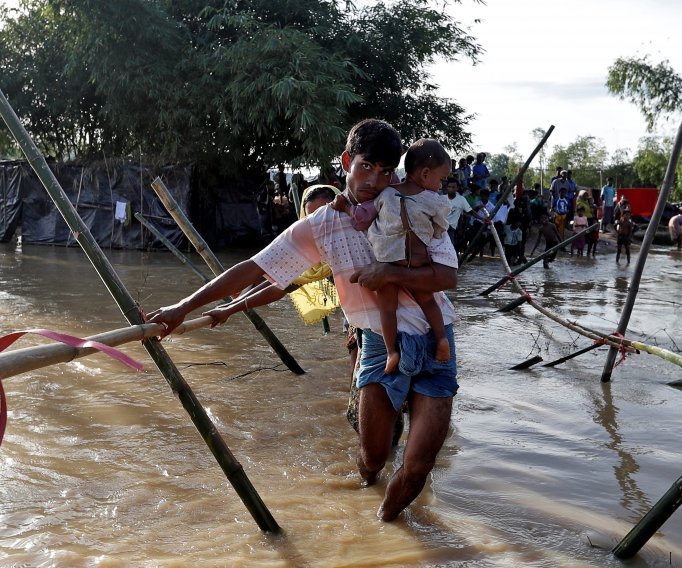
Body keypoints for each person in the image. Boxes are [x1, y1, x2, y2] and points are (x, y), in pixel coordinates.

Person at [146, 119, 459, 522]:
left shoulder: (410, 203)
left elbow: (448, 277)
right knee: (373, 457)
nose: (375, 180)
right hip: (378, 342)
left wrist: (391, 274)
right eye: (366, 167)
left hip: (437, 340)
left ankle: (380, 531)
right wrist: (181, 308)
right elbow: (256, 269)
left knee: (418, 467)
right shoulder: (324, 223)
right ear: (347, 161)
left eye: (385, 172)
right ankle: (367, 494)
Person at [337, 138, 452, 374]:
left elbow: (361, 218)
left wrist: (345, 208)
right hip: (416, 264)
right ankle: (441, 339)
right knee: (429, 302)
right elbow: (441, 228)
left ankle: (391, 352)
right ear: (426, 173)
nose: (441, 185)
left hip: (387, 262)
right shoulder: (433, 201)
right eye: (441, 179)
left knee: (386, 310)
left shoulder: (386, 194)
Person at [202, 185, 340, 327]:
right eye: (312, 219)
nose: (319, 225)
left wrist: (231, 308)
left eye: (323, 215)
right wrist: (231, 307)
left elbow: (279, 283)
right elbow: (280, 282)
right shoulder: (312, 250)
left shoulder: (355, 235)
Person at [444, 176, 473, 250]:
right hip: (440, 226)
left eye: (453, 187)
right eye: (449, 187)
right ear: (446, 187)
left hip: (451, 227)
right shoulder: (442, 198)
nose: (450, 189)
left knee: (450, 247)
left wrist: (482, 218)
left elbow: (470, 211)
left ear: (457, 188)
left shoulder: (461, 199)